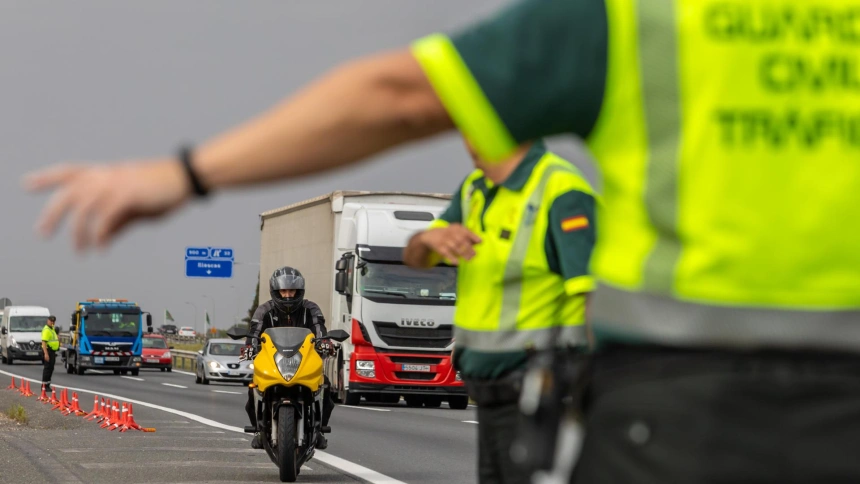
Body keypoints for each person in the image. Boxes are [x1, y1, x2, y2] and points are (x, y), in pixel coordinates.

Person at [25, 0, 860, 481]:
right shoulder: (473, 190)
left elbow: (395, 91)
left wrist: (182, 174)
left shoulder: (642, 25)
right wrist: (430, 251)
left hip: (673, 412)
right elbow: (426, 249)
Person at [404, 139, 596, 484]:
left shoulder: (561, 190)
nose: (468, 140)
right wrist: (426, 241)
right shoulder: (474, 189)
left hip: (539, 393)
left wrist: (595, 397)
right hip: (487, 390)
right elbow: (415, 258)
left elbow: (592, 295)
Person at [243, 266, 335, 450]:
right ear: (275, 291)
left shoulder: (311, 309)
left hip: (303, 361)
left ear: (299, 291)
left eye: (291, 290)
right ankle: (259, 431)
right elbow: (253, 333)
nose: (287, 295)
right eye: (283, 291)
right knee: (253, 387)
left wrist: (326, 343)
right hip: (273, 362)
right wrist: (249, 347)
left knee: (325, 386)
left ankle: (319, 431)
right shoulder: (264, 311)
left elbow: (319, 329)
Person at [41, 315, 59, 391]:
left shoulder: (52, 329)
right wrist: (46, 354)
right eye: (51, 321)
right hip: (48, 351)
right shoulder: (46, 330)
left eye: (53, 321)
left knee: (51, 368)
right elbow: (44, 342)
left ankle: (47, 385)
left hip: (52, 351)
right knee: (47, 368)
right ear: (47, 321)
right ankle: (44, 386)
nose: (52, 322)